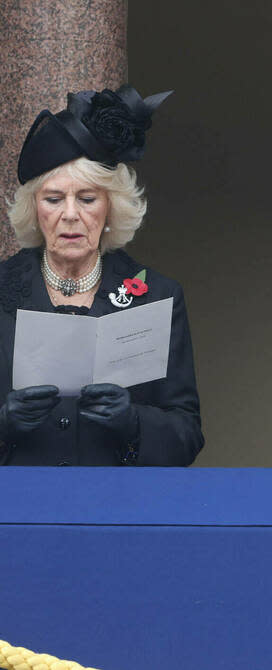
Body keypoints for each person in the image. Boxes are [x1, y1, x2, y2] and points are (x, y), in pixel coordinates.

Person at [0, 84, 204, 465]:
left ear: (111, 209)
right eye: (54, 199)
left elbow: (187, 433)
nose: (71, 214)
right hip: (13, 513)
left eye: (88, 199)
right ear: (35, 210)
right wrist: (4, 423)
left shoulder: (157, 296)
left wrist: (134, 422)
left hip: (115, 512)